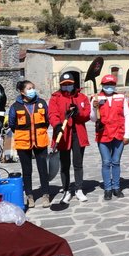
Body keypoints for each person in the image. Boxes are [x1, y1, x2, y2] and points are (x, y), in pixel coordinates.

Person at [49, 73, 91, 204]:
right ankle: (66, 190)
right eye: (64, 84)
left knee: (78, 164)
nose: (67, 86)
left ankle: (78, 189)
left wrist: (78, 112)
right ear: (61, 85)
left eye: (69, 84)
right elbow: (52, 113)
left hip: (78, 134)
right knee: (64, 165)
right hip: (63, 134)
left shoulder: (82, 97)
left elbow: (87, 115)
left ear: (74, 84)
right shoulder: (55, 98)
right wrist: (56, 126)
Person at [8, 80, 51, 208]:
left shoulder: (41, 103)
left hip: (40, 141)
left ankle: (46, 194)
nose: (32, 90)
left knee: (43, 169)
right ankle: (29, 196)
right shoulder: (15, 106)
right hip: (23, 142)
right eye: (28, 88)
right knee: (27, 171)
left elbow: (47, 121)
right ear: (22, 92)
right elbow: (12, 124)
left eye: (33, 87)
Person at [91, 75, 129, 201]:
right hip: (103, 135)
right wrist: (94, 107)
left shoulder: (120, 97)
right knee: (106, 162)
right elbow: (92, 118)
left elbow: (127, 115)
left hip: (118, 133)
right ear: (102, 85)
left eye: (112, 84)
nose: (109, 87)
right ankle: (107, 189)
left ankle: (116, 187)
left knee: (116, 162)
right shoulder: (96, 98)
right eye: (106, 84)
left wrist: (127, 134)